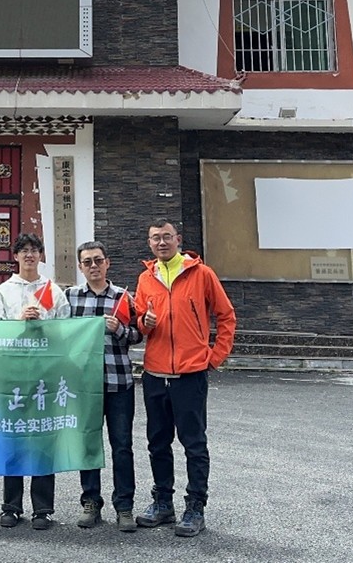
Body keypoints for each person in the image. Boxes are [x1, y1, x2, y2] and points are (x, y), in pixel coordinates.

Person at [133, 219, 236, 538]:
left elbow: (226, 315)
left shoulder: (201, 274)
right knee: (157, 443)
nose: (161, 243)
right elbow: (139, 326)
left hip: (190, 375)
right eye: (155, 239)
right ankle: (163, 503)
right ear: (149, 243)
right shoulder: (145, 278)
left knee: (194, 443)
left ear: (178, 239)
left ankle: (195, 507)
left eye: (166, 237)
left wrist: (213, 357)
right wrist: (145, 322)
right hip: (154, 374)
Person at [0, 233, 71, 530]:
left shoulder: (53, 291)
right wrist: (19, 322)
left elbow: (65, 332)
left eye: (34, 250)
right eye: (23, 251)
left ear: (40, 255)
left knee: (42, 439)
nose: (29, 256)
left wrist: (43, 324)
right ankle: (11, 505)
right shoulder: (4, 292)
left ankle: (42, 508)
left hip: (44, 375)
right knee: (14, 439)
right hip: (13, 375)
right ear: (15, 256)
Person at [65, 240, 142, 532]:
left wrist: (119, 328)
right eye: (87, 262)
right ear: (81, 266)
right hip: (85, 386)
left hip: (118, 382)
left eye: (98, 260)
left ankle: (124, 506)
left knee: (122, 446)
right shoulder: (71, 297)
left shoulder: (124, 298)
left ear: (107, 262)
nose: (93, 266)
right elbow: (61, 335)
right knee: (88, 443)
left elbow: (138, 335)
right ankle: (91, 502)